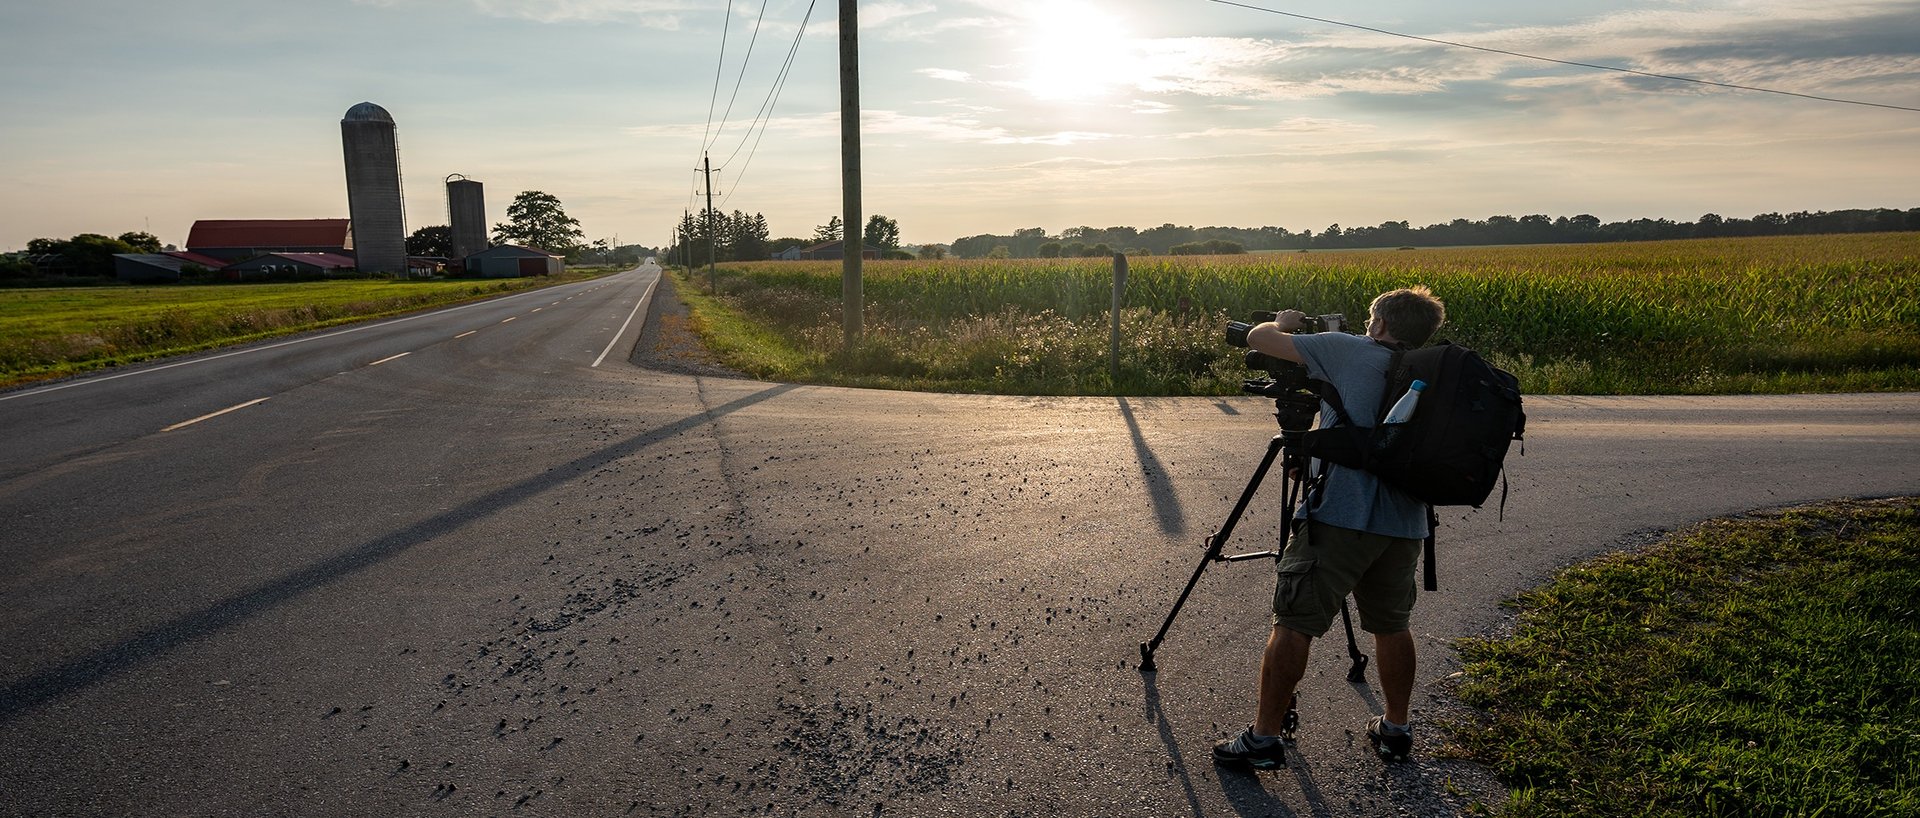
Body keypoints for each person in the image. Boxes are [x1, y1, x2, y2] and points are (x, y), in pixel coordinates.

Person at [1210, 286, 1447, 770]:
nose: (1366, 328)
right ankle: (1396, 729)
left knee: (1294, 622)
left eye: (1369, 321)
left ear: (1380, 326)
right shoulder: (1433, 369)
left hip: (1341, 516)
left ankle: (1263, 739)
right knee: (1392, 625)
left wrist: (1286, 321)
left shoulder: (1349, 349)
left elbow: (1259, 339)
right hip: (1405, 521)